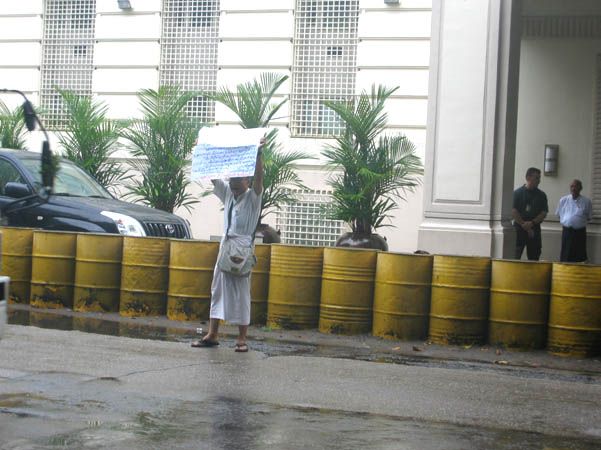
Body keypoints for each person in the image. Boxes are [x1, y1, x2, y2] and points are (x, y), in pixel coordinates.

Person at [191, 140, 264, 352]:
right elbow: (213, 177)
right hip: (226, 246)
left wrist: (258, 154)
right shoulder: (229, 195)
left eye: (238, 179)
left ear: (247, 180)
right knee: (217, 290)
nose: (233, 183)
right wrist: (202, 151)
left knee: (241, 293)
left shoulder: (253, 198)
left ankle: (242, 338)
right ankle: (212, 334)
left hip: (241, 249)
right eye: (231, 179)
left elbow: (260, 179)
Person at [512, 167, 548, 261]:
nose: (539, 181)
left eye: (539, 178)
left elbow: (543, 213)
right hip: (519, 229)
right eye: (536, 178)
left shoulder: (542, 195)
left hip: (535, 228)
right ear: (528, 177)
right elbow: (513, 210)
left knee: (534, 256)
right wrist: (524, 225)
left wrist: (531, 223)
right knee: (515, 256)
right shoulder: (517, 193)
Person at [555, 179, 593, 262]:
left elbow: (589, 217)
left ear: (581, 188)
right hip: (567, 231)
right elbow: (558, 215)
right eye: (572, 186)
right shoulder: (563, 200)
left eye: (576, 186)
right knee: (566, 254)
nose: (573, 188)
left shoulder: (587, 202)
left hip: (580, 232)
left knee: (579, 255)